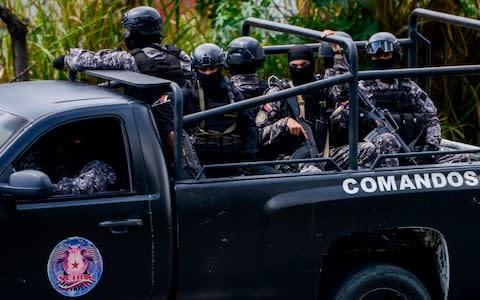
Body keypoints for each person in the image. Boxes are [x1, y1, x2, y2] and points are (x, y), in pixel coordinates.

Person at [324, 31, 465, 166]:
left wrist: (429, 148)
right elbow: (340, 92)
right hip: (375, 150)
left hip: (408, 148)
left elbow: (431, 119)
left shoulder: (409, 87)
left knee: (460, 156)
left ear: (395, 56)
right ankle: (394, 184)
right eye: (375, 56)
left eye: (386, 55)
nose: (380, 59)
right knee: (387, 140)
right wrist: (338, 54)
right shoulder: (361, 87)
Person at [256, 44, 376, 170]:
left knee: (367, 150)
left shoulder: (322, 88)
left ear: (312, 64)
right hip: (290, 160)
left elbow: (344, 93)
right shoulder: (279, 93)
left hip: (324, 155)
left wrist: (339, 55)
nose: (299, 69)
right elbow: (258, 135)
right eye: (294, 66)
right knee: (313, 171)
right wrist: (284, 124)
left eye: (304, 65)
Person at [188, 43, 258, 171]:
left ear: (220, 67)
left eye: (212, 68)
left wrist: (248, 161)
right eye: (203, 70)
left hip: (233, 163)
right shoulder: (189, 94)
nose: (208, 73)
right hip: (200, 167)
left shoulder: (234, 93)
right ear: (196, 69)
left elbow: (249, 128)